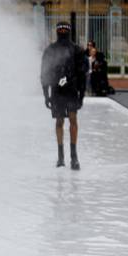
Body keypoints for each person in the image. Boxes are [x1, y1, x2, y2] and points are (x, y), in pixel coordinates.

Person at [40, 21, 88, 170]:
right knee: (60, 121)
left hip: (70, 89)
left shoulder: (76, 50)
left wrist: (81, 95)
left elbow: (82, 73)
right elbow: (44, 72)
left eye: (64, 30)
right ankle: (61, 156)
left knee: (72, 119)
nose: (62, 32)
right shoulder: (51, 50)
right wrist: (45, 94)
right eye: (60, 30)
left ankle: (74, 156)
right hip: (58, 90)